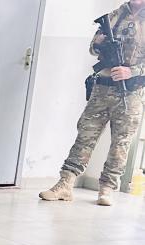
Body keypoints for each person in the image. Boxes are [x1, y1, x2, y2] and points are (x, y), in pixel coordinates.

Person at [41, 0, 145, 206]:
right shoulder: (114, 15)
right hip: (102, 88)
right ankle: (65, 184)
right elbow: (93, 48)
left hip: (130, 94)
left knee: (121, 144)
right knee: (85, 136)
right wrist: (98, 44)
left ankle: (106, 188)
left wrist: (131, 71)